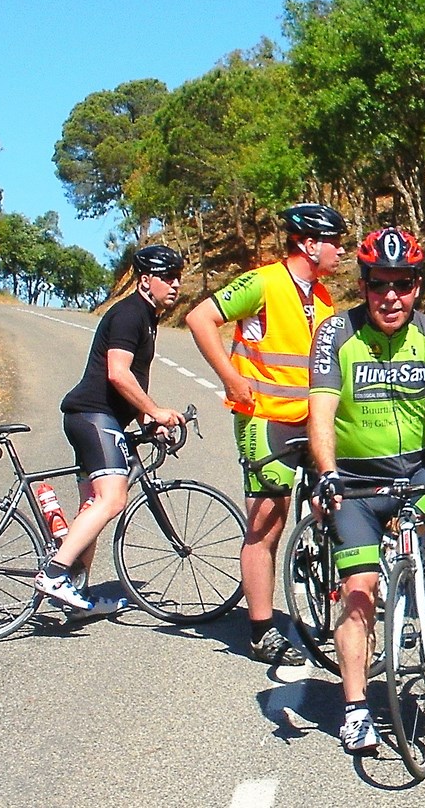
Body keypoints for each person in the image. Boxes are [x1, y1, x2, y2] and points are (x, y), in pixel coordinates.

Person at [307, 226, 425, 754]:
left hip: (418, 469)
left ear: (417, 286)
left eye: (403, 284)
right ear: (363, 284)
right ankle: (356, 709)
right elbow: (320, 412)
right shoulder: (335, 334)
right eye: (379, 284)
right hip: (355, 479)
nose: (391, 296)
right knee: (359, 592)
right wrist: (326, 472)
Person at [183, 202, 347, 667]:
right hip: (265, 417)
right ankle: (260, 630)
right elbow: (199, 318)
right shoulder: (263, 282)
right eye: (334, 242)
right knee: (267, 521)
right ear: (309, 244)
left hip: (313, 419)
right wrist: (230, 378)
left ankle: (327, 593)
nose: (340, 250)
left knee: (336, 503)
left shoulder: (323, 297)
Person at [40, 245, 187, 613]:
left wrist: (147, 420)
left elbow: (133, 382)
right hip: (93, 416)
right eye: (167, 277)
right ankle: (55, 574)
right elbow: (118, 374)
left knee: (93, 505)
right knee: (113, 499)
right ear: (145, 281)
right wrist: (155, 410)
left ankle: (77, 597)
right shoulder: (129, 314)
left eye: (178, 277)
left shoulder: (147, 317)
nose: (175, 284)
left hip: (97, 417)